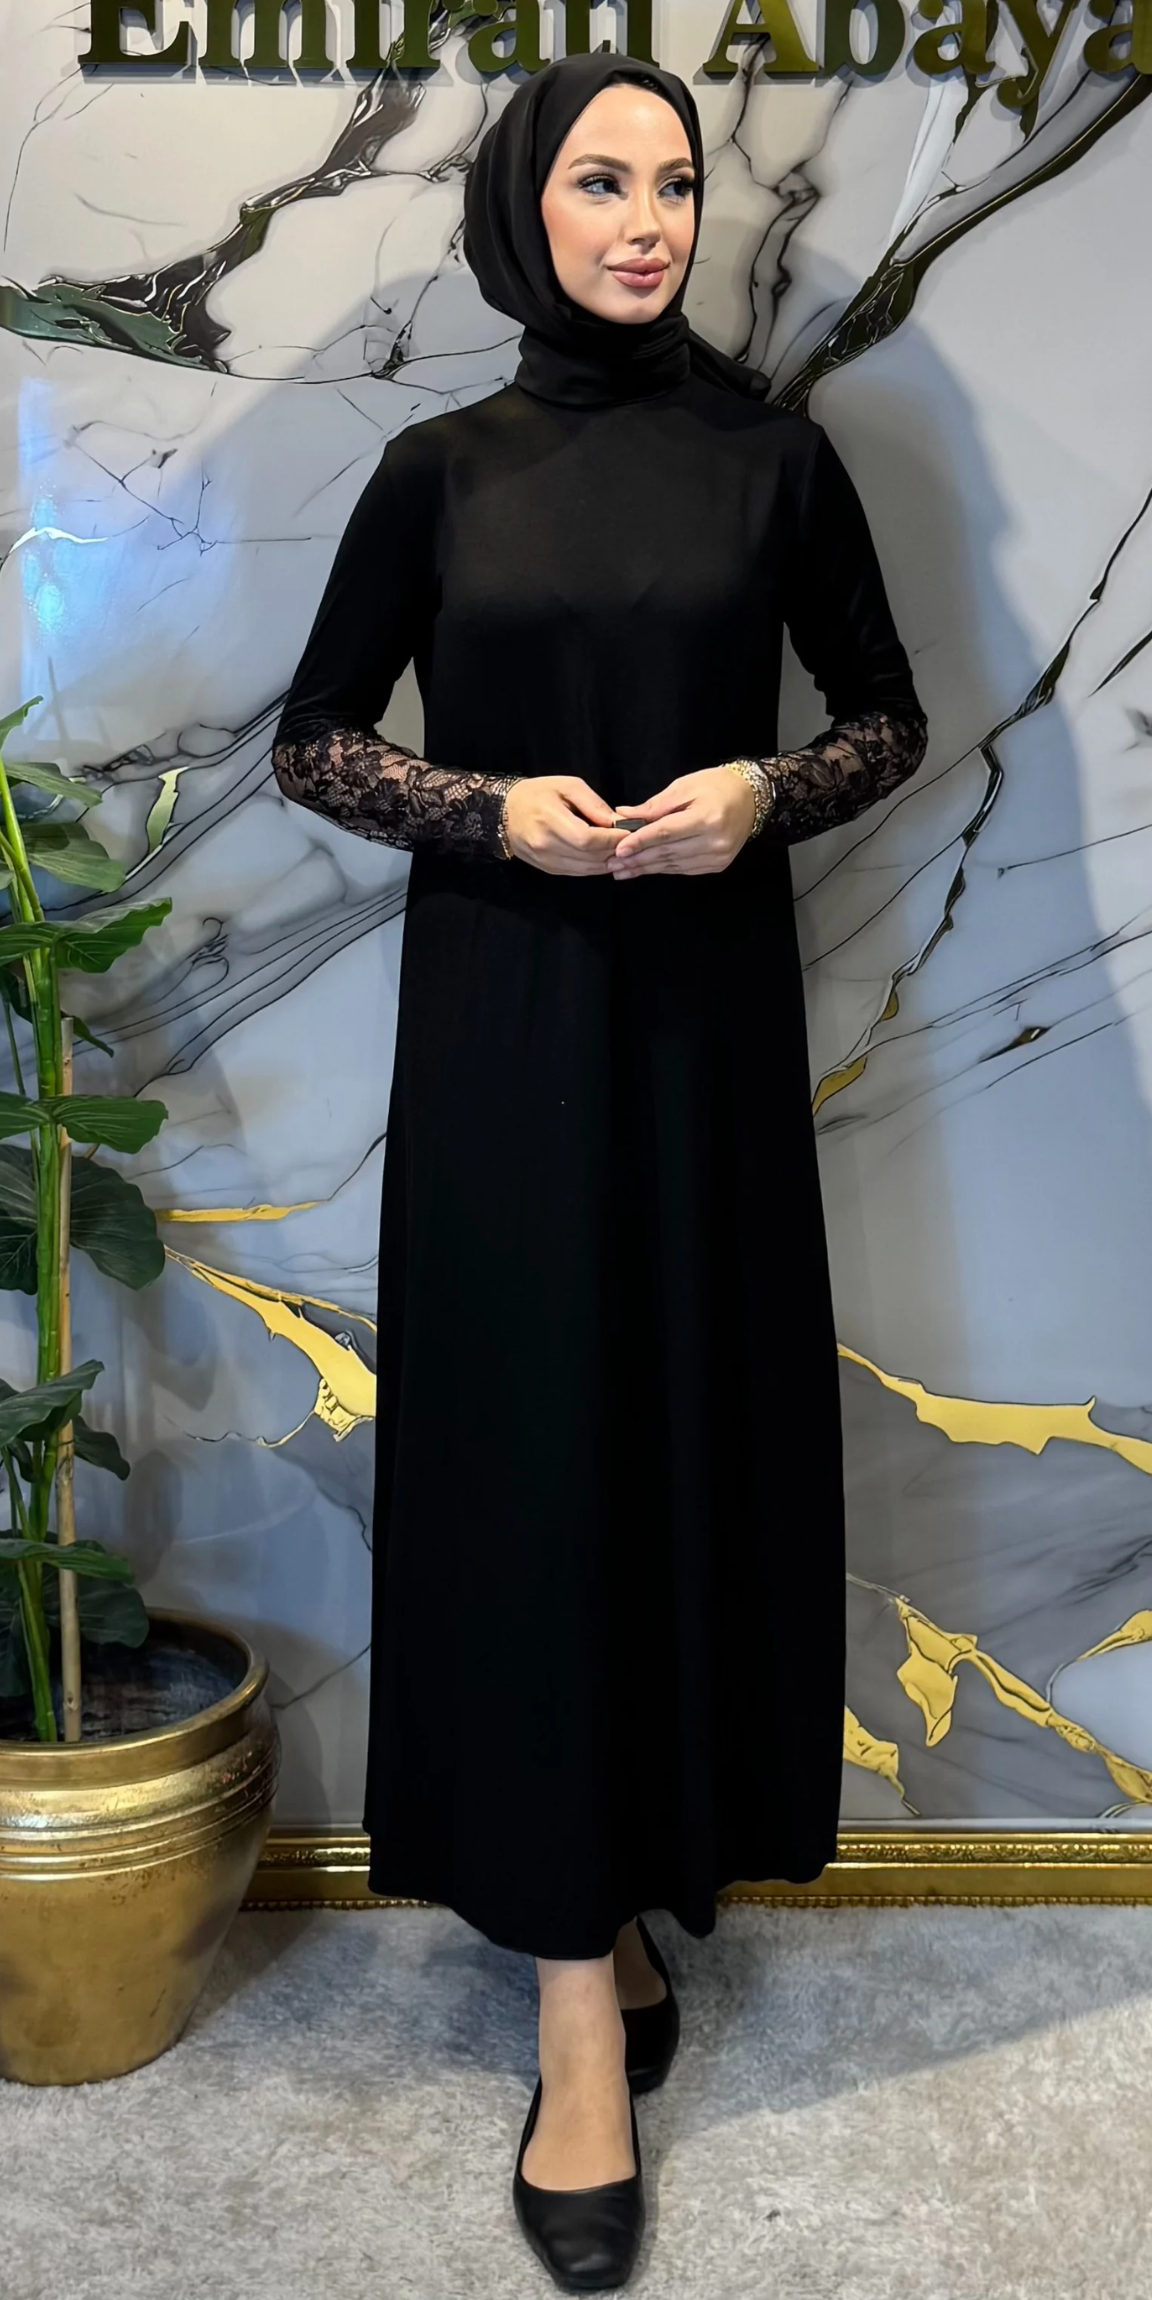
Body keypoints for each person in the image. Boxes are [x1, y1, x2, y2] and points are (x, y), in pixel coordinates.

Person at [272, 49, 928, 2294]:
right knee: (537, 1467)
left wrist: (764, 790)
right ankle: (572, 2005)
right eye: (600, 181)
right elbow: (312, 738)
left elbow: (886, 713)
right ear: (524, 209)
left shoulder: (776, 461)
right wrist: (486, 809)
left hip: (705, 1034)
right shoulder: (439, 472)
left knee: (674, 1450)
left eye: (673, 182)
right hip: (505, 1028)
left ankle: (633, 1900)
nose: (647, 220)